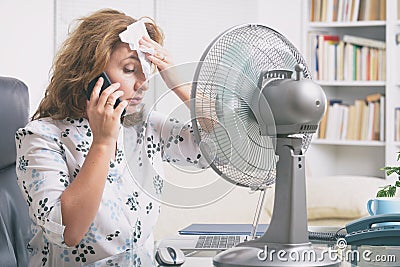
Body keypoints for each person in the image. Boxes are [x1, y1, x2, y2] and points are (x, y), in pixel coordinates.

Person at [15, 9, 204, 266]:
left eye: (145, 69)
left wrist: (180, 85)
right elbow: (68, 231)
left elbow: (220, 146)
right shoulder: (40, 138)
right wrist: (103, 143)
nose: (143, 83)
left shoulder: (143, 127)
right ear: (92, 76)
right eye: (129, 69)